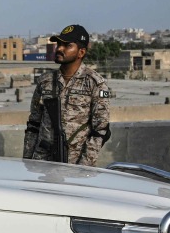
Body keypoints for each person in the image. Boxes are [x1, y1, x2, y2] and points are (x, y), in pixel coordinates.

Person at [23, 24, 112, 166]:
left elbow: (100, 130)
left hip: (74, 166)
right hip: (41, 164)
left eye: (67, 45)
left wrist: (83, 167)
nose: (59, 48)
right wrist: (27, 161)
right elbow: (34, 125)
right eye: (59, 44)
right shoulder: (45, 82)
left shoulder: (95, 84)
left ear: (81, 52)